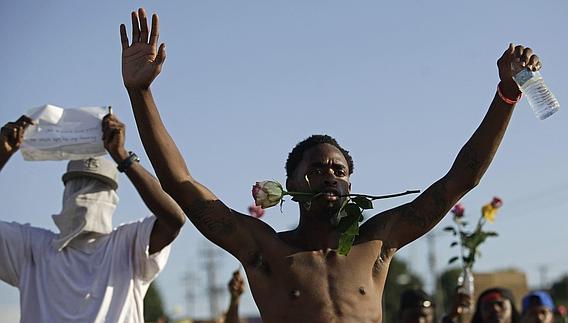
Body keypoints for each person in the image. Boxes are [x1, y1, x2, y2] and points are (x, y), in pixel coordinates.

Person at [120, 7, 542, 323]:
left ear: (351, 186)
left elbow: (459, 180)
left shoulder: (378, 243)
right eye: (317, 169)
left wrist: (506, 95)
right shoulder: (265, 250)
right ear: (288, 184)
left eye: (339, 171)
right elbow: (180, 183)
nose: (329, 176)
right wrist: (141, 94)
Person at [0, 112, 185, 322]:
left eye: (98, 187)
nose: (85, 196)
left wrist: (123, 157)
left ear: (111, 195)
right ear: (67, 191)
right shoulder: (30, 249)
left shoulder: (129, 245)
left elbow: (174, 219)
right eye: (78, 185)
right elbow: (174, 220)